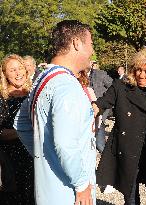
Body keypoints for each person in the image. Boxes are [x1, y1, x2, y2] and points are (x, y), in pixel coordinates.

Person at [14, 20, 96, 205]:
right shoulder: (66, 85)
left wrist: (43, 154)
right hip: (68, 193)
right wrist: (82, 185)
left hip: (48, 190)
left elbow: (20, 123)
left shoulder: (43, 78)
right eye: (91, 44)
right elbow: (65, 144)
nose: (92, 51)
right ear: (77, 43)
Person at [93, 48, 146, 204]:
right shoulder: (121, 87)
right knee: (130, 197)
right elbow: (100, 104)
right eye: (138, 70)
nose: (141, 75)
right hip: (128, 151)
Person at [0, 54, 34, 205]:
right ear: (5, 74)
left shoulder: (34, 95)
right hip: (12, 164)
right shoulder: (2, 99)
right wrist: (26, 130)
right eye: (12, 70)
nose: (18, 73)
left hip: (36, 160)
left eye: (20, 68)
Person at [88, 61, 113, 153]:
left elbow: (112, 88)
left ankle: (105, 154)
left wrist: (104, 100)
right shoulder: (77, 76)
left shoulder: (100, 74)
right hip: (87, 109)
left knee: (99, 133)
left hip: (101, 107)